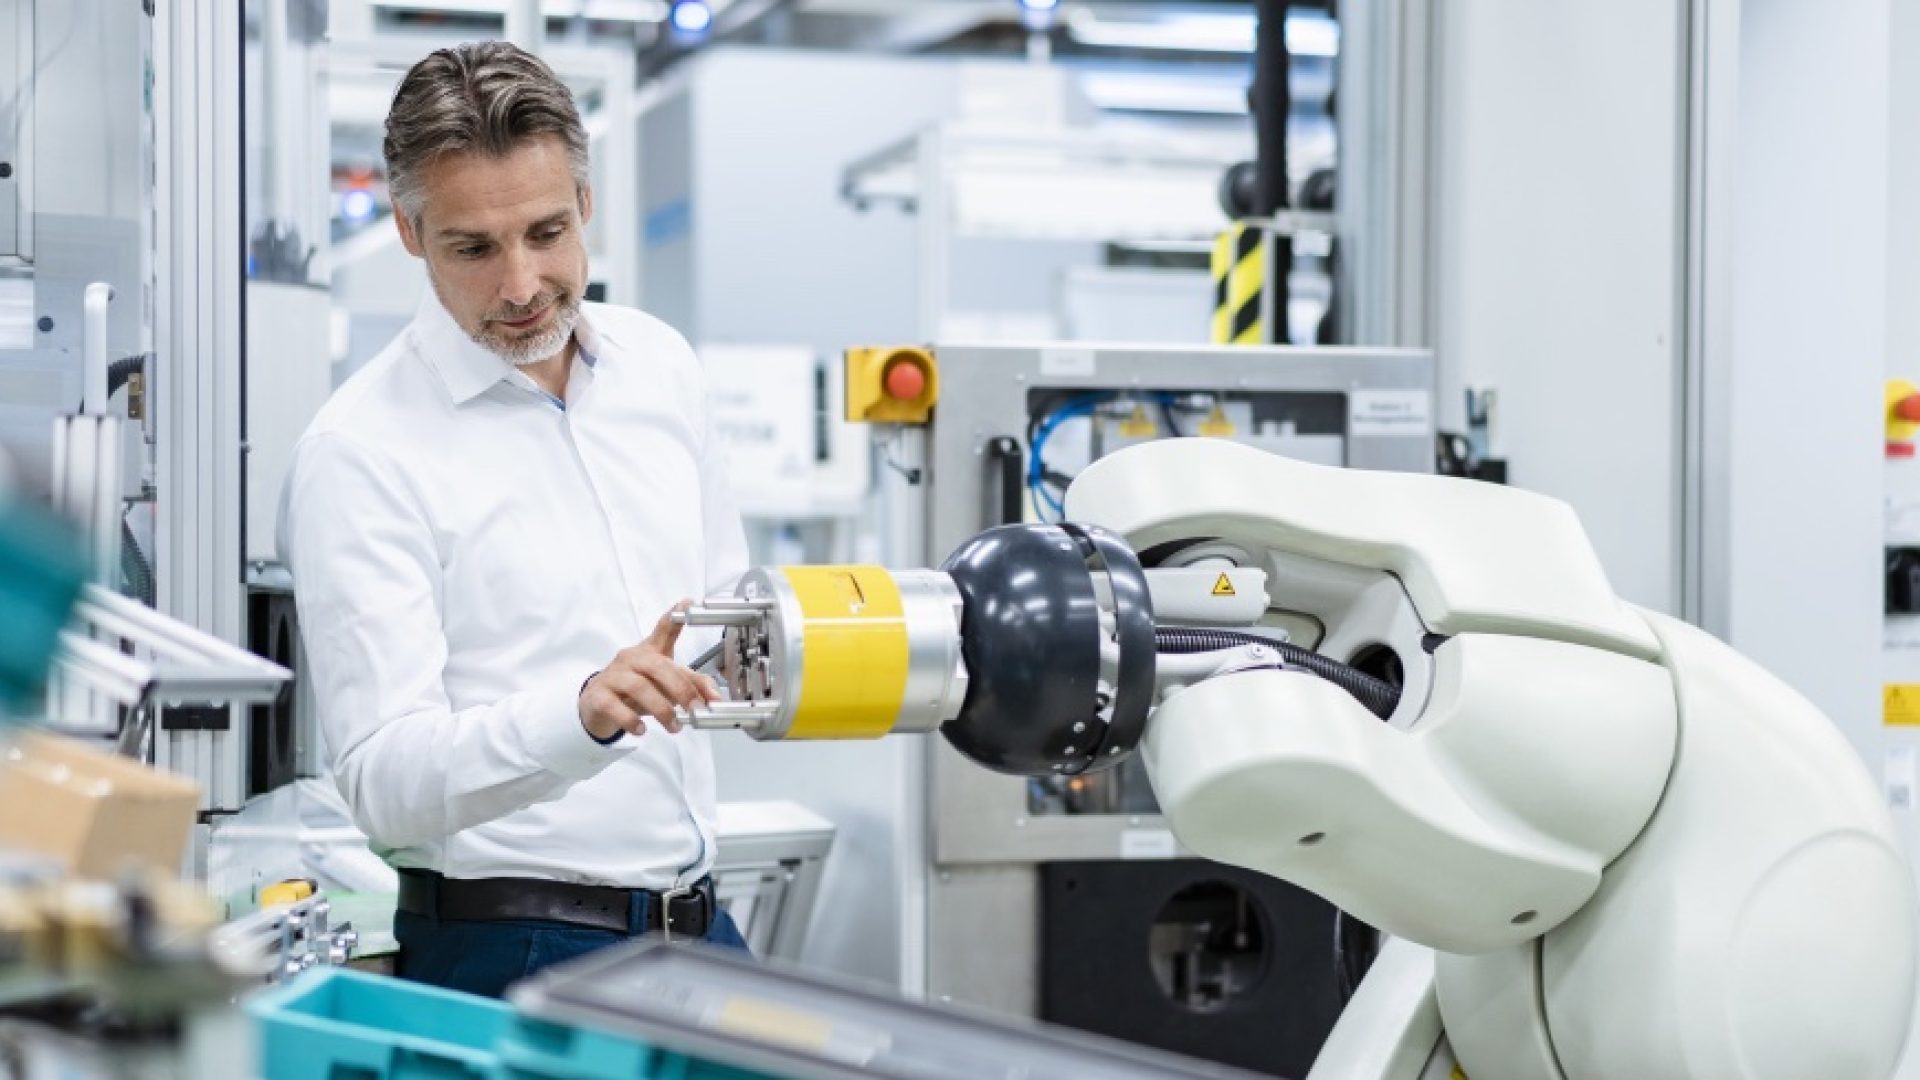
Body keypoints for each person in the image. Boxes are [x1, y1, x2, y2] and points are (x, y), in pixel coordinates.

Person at [279, 40, 750, 999]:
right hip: (510, 947)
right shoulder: (362, 449)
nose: (523, 285)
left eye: (546, 231)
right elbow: (381, 780)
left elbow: (728, 613)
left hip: (699, 922)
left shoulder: (660, 369)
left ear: (586, 201)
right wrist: (581, 714)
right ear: (410, 231)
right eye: (474, 248)